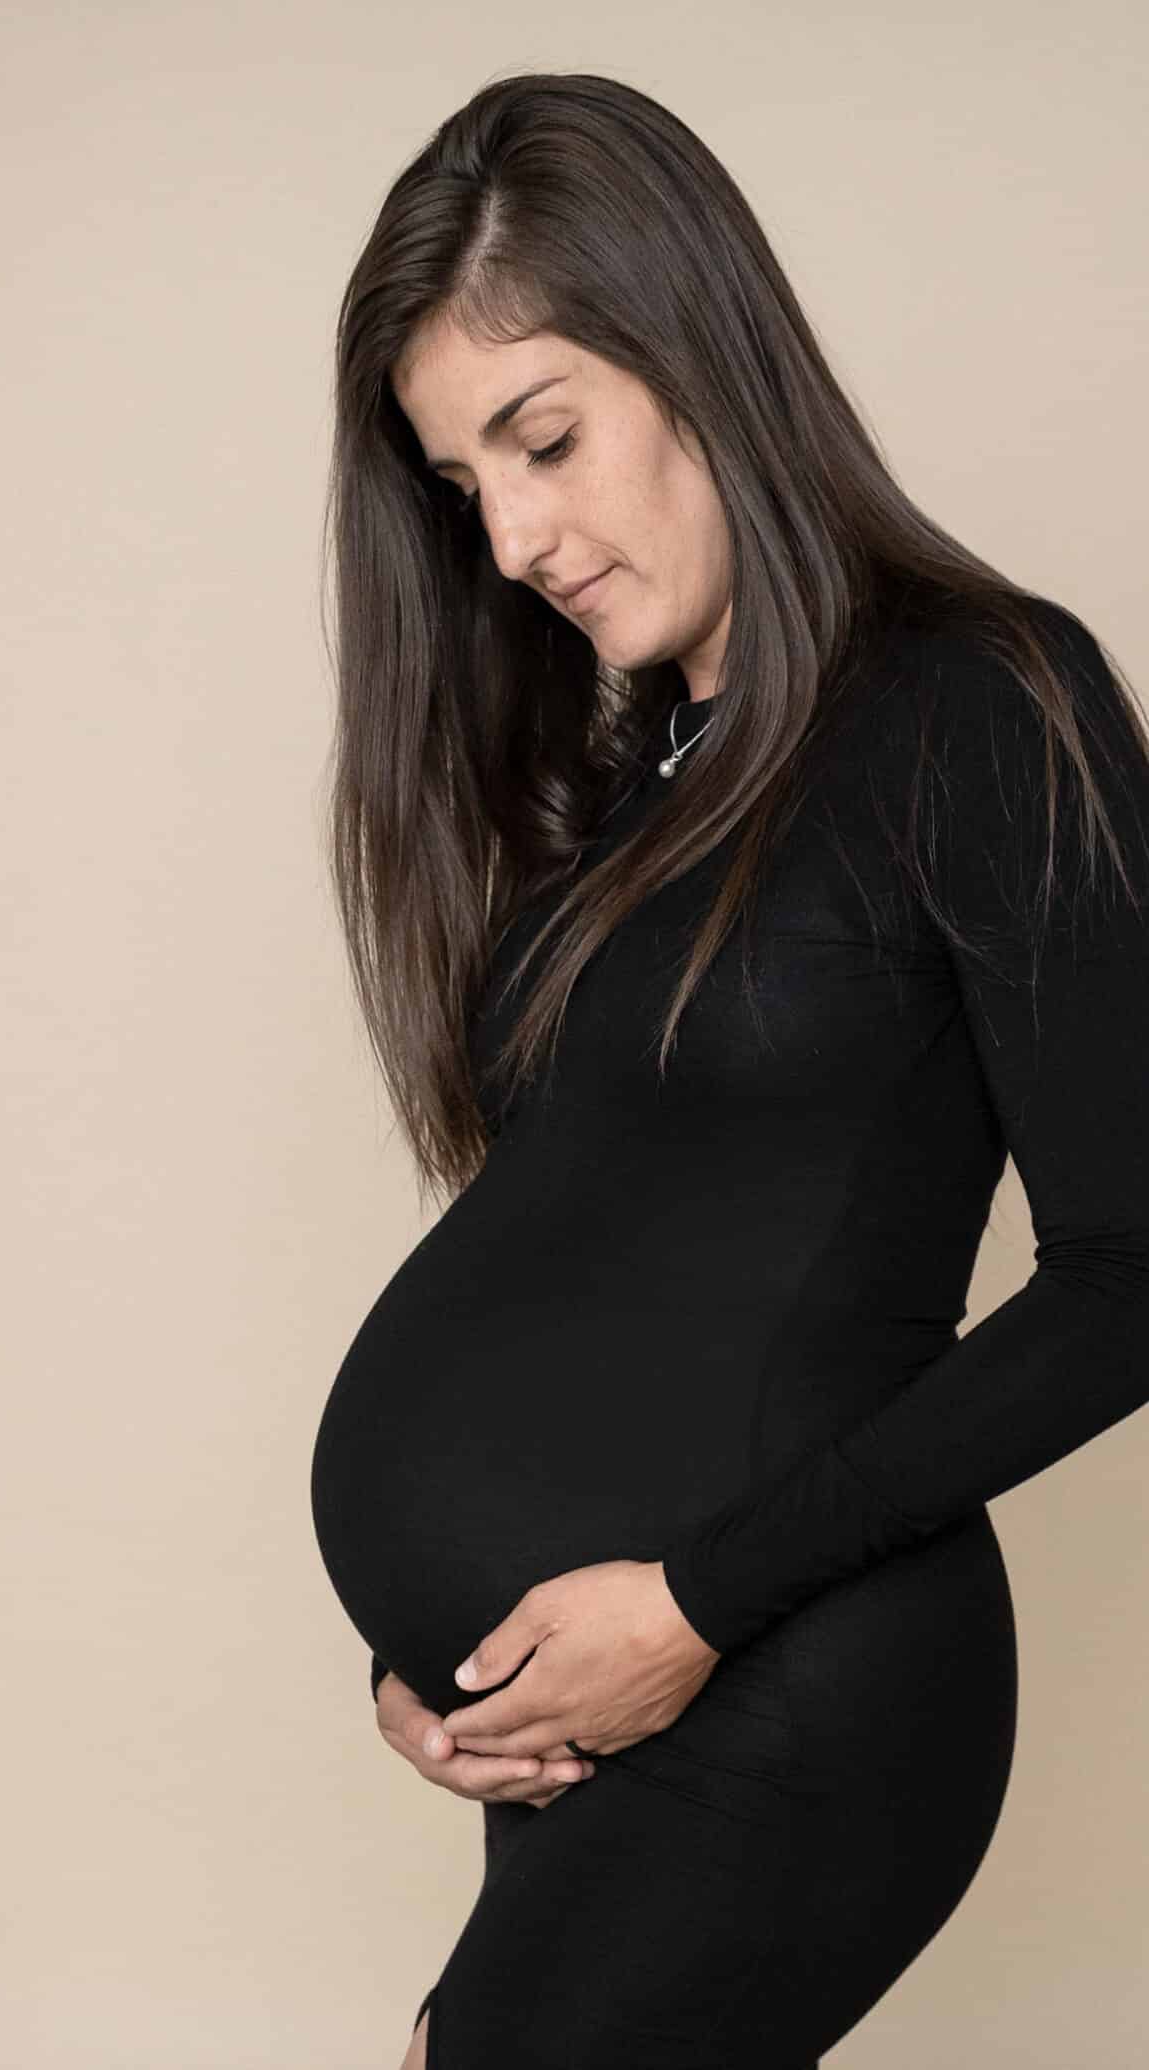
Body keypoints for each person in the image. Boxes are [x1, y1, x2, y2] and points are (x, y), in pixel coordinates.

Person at [307, 69, 1149, 2070]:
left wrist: (688, 1602)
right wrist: (429, 1660)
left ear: (696, 351)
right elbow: (622, 1256)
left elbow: (1134, 1265)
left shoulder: (976, 699)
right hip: (588, 1731)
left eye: (542, 437)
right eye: (459, 484)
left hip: (782, 1690)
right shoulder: (632, 787)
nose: (509, 538)